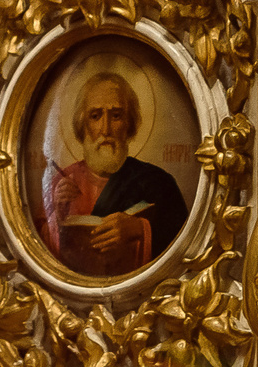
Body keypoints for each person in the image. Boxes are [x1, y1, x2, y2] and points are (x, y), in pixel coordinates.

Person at [40, 71, 185, 276]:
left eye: (116, 116)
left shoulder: (159, 183)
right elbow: (39, 253)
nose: (105, 129)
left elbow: (182, 245)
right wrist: (55, 213)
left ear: (129, 123)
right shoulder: (61, 182)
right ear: (83, 124)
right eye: (95, 116)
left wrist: (139, 229)